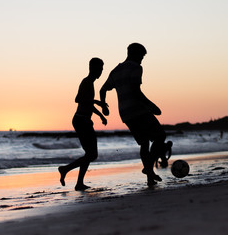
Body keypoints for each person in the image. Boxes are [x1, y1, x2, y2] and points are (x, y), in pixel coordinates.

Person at [100, 43, 172, 187]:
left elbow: (103, 89)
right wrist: (152, 106)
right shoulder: (136, 67)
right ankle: (148, 167)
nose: (142, 60)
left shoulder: (116, 70)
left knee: (144, 143)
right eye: (141, 56)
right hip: (138, 110)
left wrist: (104, 106)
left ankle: (150, 179)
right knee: (160, 136)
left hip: (126, 114)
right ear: (135, 54)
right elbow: (135, 91)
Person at [58, 57, 108, 191]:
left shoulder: (90, 83)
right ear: (93, 68)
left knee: (89, 154)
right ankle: (65, 169)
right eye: (100, 68)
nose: (101, 71)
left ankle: (79, 183)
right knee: (92, 155)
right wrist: (97, 103)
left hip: (84, 120)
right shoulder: (86, 82)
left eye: (102, 69)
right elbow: (79, 99)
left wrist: (100, 114)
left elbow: (85, 101)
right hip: (81, 120)